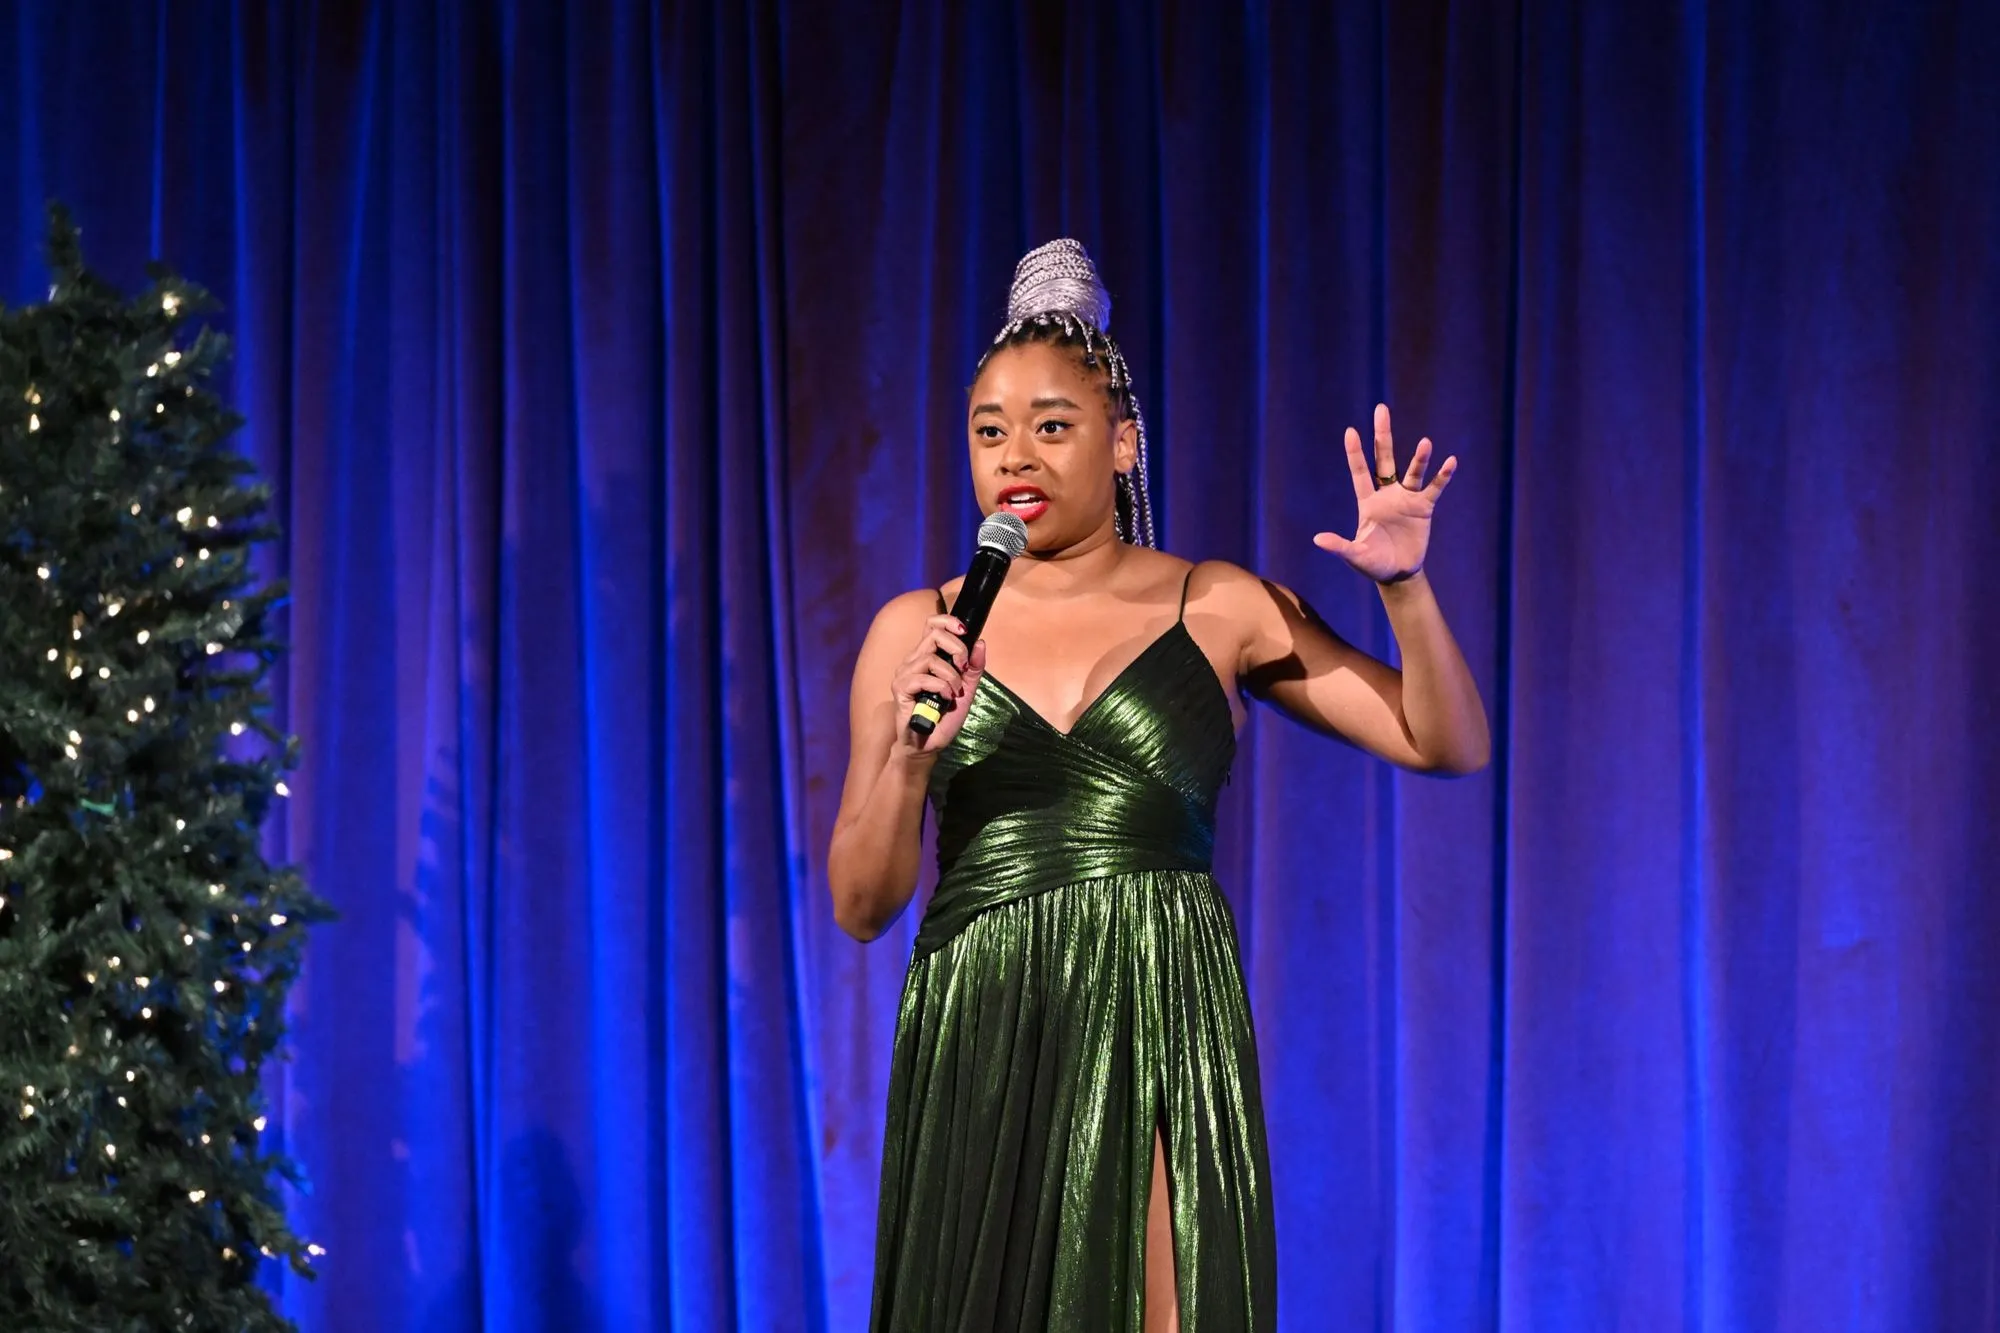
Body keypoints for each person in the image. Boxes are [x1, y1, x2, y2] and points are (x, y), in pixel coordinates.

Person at [827, 239, 1490, 1332]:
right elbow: (859, 904)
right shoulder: (919, 627)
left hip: (1155, 1006)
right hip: (984, 1026)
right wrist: (909, 755)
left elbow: (1442, 739)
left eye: (1052, 424)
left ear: (1122, 440)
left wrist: (1406, 589)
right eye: (989, 430)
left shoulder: (1215, 604)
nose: (1014, 455)